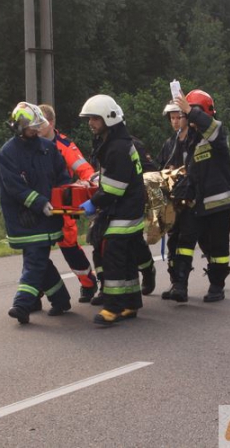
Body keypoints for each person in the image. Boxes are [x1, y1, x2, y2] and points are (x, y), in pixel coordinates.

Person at [0, 102, 72, 324]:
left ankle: (38, 302)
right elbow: (14, 187)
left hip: (49, 217)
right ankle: (42, 301)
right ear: (19, 127)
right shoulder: (8, 153)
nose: (37, 130)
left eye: (38, 126)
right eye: (32, 127)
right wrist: (39, 203)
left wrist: (64, 199)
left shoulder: (48, 148)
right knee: (37, 261)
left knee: (37, 260)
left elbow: (62, 176)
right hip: (24, 219)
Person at [78, 94, 146, 325]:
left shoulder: (116, 148)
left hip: (124, 211)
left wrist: (93, 203)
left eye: (95, 119)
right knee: (126, 259)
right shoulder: (115, 142)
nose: (91, 123)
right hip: (129, 208)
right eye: (90, 119)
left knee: (114, 258)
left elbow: (114, 190)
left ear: (108, 118)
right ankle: (131, 304)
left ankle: (113, 308)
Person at [168, 90, 230, 303]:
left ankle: (217, 285)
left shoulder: (217, 131)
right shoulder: (189, 138)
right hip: (195, 203)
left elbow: (211, 129)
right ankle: (180, 285)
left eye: (190, 112)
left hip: (218, 204)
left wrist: (190, 110)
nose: (187, 116)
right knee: (184, 241)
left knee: (218, 248)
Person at [37, 104, 99, 303]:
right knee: (36, 252)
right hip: (38, 206)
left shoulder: (64, 145)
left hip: (61, 205)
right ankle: (35, 291)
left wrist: (85, 186)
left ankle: (88, 282)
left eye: (42, 122)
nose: (37, 127)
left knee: (69, 247)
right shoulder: (29, 143)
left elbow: (86, 171)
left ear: (52, 123)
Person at [156, 101, 202, 300]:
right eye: (172, 118)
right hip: (173, 202)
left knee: (186, 242)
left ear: (187, 118)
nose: (175, 122)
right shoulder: (169, 144)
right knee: (173, 242)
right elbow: (160, 168)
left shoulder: (195, 141)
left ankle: (182, 285)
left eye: (178, 117)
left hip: (191, 202)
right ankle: (175, 282)